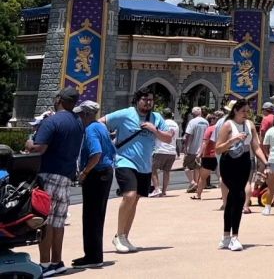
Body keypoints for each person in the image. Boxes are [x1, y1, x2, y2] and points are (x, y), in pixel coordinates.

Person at [103, 87, 173, 254]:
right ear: (137, 100)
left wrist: (154, 129)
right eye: (144, 99)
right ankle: (119, 235)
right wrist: (105, 142)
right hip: (125, 161)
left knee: (135, 200)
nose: (148, 103)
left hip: (145, 165)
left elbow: (168, 138)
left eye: (150, 100)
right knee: (129, 195)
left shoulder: (156, 118)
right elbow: (101, 122)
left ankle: (124, 236)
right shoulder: (126, 114)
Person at [26, 87, 84, 277]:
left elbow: (38, 148)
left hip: (48, 175)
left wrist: (29, 142)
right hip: (66, 176)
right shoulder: (78, 123)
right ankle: (57, 261)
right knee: (58, 221)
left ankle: (44, 265)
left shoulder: (51, 121)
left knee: (45, 221)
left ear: (59, 99)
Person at [215, 99, 267, 250]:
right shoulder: (227, 125)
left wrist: (265, 161)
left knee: (233, 198)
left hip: (244, 161)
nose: (246, 113)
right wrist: (232, 140)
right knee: (238, 196)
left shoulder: (250, 125)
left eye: (247, 111)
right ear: (235, 111)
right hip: (229, 162)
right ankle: (234, 237)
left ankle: (226, 236)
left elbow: (255, 146)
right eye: (243, 110)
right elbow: (218, 149)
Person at [73, 100, 115, 269]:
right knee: (96, 215)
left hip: (96, 174)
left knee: (92, 217)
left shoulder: (91, 130)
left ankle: (93, 256)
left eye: (81, 114)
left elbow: (96, 153)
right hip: (105, 172)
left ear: (86, 114)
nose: (79, 118)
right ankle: (92, 254)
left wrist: (84, 172)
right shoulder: (101, 127)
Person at [150, 109, 179, 197]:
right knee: (167, 171)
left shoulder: (161, 123)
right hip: (171, 150)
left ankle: (156, 189)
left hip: (160, 149)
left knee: (153, 169)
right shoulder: (176, 125)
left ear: (163, 115)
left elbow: (155, 134)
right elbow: (175, 138)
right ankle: (164, 191)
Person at [183, 107, 208, 193]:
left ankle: (192, 182)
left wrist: (185, 147)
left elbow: (187, 135)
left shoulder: (192, 122)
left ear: (193, 114)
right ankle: (196, 184)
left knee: (186, 166)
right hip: (202, 149)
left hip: (192, 148)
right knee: (197, 167)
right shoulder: (206, 122)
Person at [195, 113, 219, 201]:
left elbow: (205, 143)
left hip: (209, 155)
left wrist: (199, 154)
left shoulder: (209, 129)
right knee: (222, 176)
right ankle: (225, 195)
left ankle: (198, 195)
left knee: (203, 177)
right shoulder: (220, 128)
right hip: (219, 154)